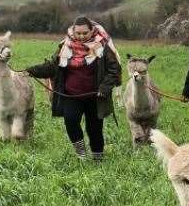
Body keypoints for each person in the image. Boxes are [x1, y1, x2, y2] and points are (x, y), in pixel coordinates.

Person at [25, 16, 121, 160]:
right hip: (71, 95)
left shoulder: (102, 47)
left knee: (94, 128)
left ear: (92, 31)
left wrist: (105, 87)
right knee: (70, 121)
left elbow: (114, 69)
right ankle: (81, 153)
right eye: (78, 33)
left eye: (85, 33)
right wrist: (31, 70)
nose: (81, 36)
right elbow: (53, 66)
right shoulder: (65, 46)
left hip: (95, 96)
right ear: (73, 32)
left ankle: (98, 157)